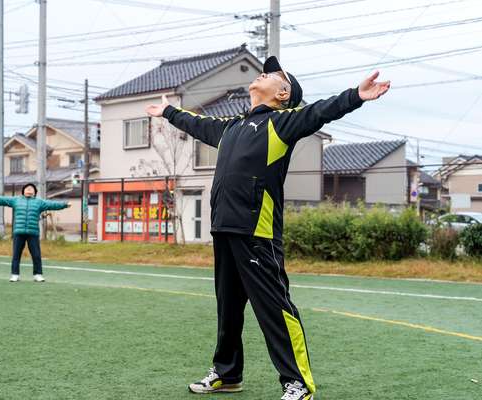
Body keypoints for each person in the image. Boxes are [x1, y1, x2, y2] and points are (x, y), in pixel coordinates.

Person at [145, 56, 390, 400]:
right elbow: (198, 124)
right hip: (225, 229)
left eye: (273, 74)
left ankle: (298, 383)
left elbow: (320, 111)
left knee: (275, 308)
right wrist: (169, 112)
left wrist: (355, 96)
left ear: (283, 92)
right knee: (227, 309)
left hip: (257, 234)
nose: (264, 72)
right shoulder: (232, 126)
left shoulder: (282, 123)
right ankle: (228, 374)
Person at [0, 183, 71, 282]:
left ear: (34, 192)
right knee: (16, 254)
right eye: (27, 188)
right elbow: (2, 200)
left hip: (33, 233)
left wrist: (64, 204)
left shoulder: (39, 202)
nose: (29, 189)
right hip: (18, 232)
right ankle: (14, 274)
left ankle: (38, 274)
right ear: (23, 191)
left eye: (31, 188)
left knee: (36, 255)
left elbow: (52, 204)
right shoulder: (16, 200)